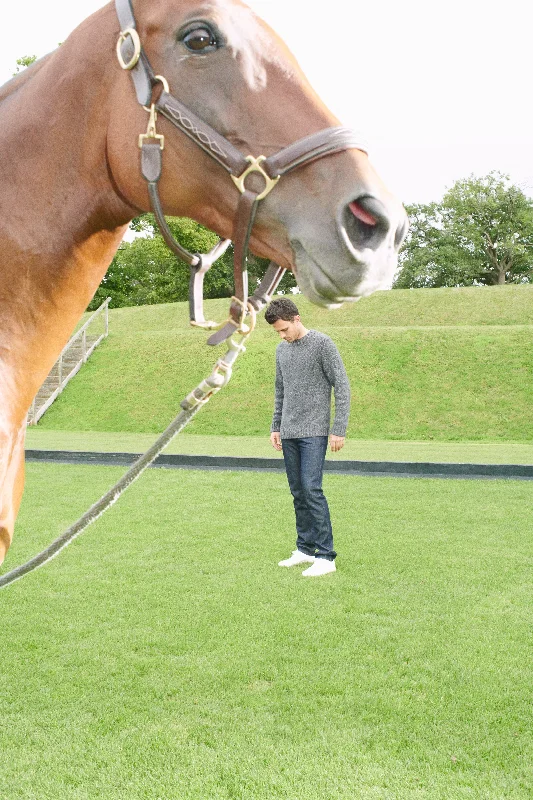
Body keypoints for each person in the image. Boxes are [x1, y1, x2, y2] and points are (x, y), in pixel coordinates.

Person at [265, 297, 350, 577]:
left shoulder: (323, 344)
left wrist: (338, 428)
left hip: (314, 431)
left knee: (312, 489)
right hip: (288, 432)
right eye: (278, 332)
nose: (282, 335)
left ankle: (326, 557)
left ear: (296, 319)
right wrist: (276, 426)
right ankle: (304, 549)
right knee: (298, 492)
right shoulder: (281, 350)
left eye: (284, 329)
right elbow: (280, 391)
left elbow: (342, 386)